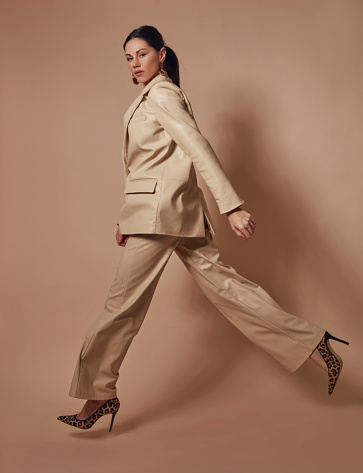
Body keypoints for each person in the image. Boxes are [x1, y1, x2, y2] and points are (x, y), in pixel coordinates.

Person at [57, 25, 349, 432]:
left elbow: (196, 144)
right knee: (230, 290)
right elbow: (151, 164)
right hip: (172, 213)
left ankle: (99, 393)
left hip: (160, 216)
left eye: (141, 54)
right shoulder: (155, 95)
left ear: (161, 53)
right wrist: (128, 218)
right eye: (128, 57)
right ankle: (313, 343)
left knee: (120, 307)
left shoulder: (160, 94)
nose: (134, 63)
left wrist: (231, 206)